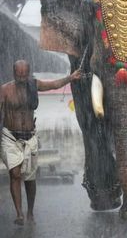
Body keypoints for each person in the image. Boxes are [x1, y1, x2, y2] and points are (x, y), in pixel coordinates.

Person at [0, 60, 81, 226]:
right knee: (15, 173)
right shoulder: (5, 90)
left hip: (29, 136)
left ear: (28, 73)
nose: (22, 78)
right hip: (10, 137)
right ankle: (19, 214)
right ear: (14, 73)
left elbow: (53, 84)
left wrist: (70, 78)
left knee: (30, 178)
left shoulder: (33, 86)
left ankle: (30, 212)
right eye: (18, 75)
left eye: (24, 74)